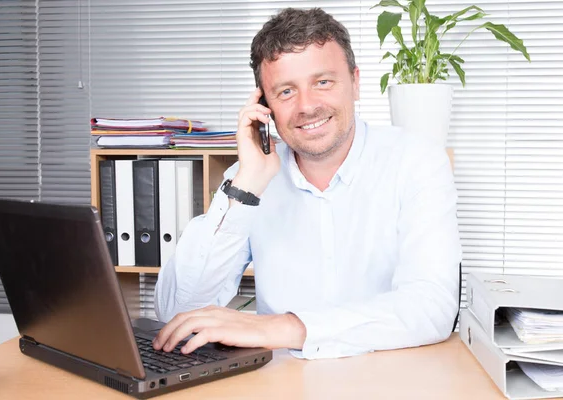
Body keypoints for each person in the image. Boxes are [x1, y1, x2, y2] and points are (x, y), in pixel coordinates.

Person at [153, 7, 462, 360]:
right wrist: (246, 188)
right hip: (282, 385)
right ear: (264, 105)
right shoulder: (249, 180)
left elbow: (431, 308)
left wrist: (281, 327)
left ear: (356, 82)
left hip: (388, 377)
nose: (307, 106)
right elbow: (177, 313)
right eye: (285, 91)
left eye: (323, 82)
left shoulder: (417, 162)